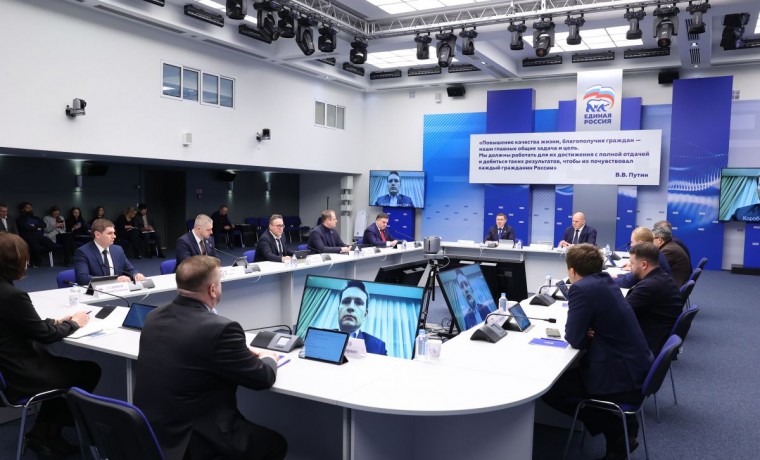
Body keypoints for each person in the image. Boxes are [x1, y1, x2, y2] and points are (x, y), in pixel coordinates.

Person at [134, 255, 287, 460]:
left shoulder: (153, 316)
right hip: (194, 439)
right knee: (275, 444)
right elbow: (262, 378)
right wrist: (269, 357)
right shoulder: (221, 329)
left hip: (152, 432)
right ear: (212, 289)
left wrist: (235, 352)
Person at [541, 244, 652, 460]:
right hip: (634, 367)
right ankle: (620, 429)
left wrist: (584, 332)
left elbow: (575, 339)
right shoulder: (604, 280)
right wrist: (588, 330)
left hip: (619, 377)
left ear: (572, 270)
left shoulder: (580, 289)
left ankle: (616, 430)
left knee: (552, 390)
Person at [0, 233, 100, 457]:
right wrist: (75, 323)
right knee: (89, 371)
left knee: (65, 369)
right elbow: (45, 336)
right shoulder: (12, 295)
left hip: (6, 370)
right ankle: (49, 432)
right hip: (21, 375)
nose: (27, 262)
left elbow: (20, 324)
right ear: (13, 261)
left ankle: (43, 432)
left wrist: (55, 321)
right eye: (25, 257)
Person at [625, 242, 683, 355]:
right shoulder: (662, 277)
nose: (630, 266)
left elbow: (620, 313)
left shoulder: (649, 287)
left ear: (644, 265)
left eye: (632, 263)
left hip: (645, 346)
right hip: (655, 335)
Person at [73, 218, 145, 286]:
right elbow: (82, 278)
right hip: (96, 291)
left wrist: (136, 274)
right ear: (97, 235)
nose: (114, 236)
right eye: (110, 233)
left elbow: (130, 269)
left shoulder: (118, 250)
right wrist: (114, 280)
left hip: (119, 290)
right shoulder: (83, 252)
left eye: (114, 233)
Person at [337, 280, 387, 355]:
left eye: (358, 303)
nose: (351, 307)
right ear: (338, 310)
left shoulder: (378, 347)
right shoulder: (321, 337)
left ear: (365, 314)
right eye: (346, 301)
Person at [15, 202, 55, 267]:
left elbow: (43, 225)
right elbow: (26, 227)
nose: (30, 209)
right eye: (28, 208)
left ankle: (33, 256)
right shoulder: (20, 219)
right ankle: (36, 262)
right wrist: (37, 227)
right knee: (36, 247)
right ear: (22, 209)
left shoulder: (36, 218)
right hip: (28, 238)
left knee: (52, 246)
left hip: (39, 236)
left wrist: (34, 226)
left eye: (31, 208)